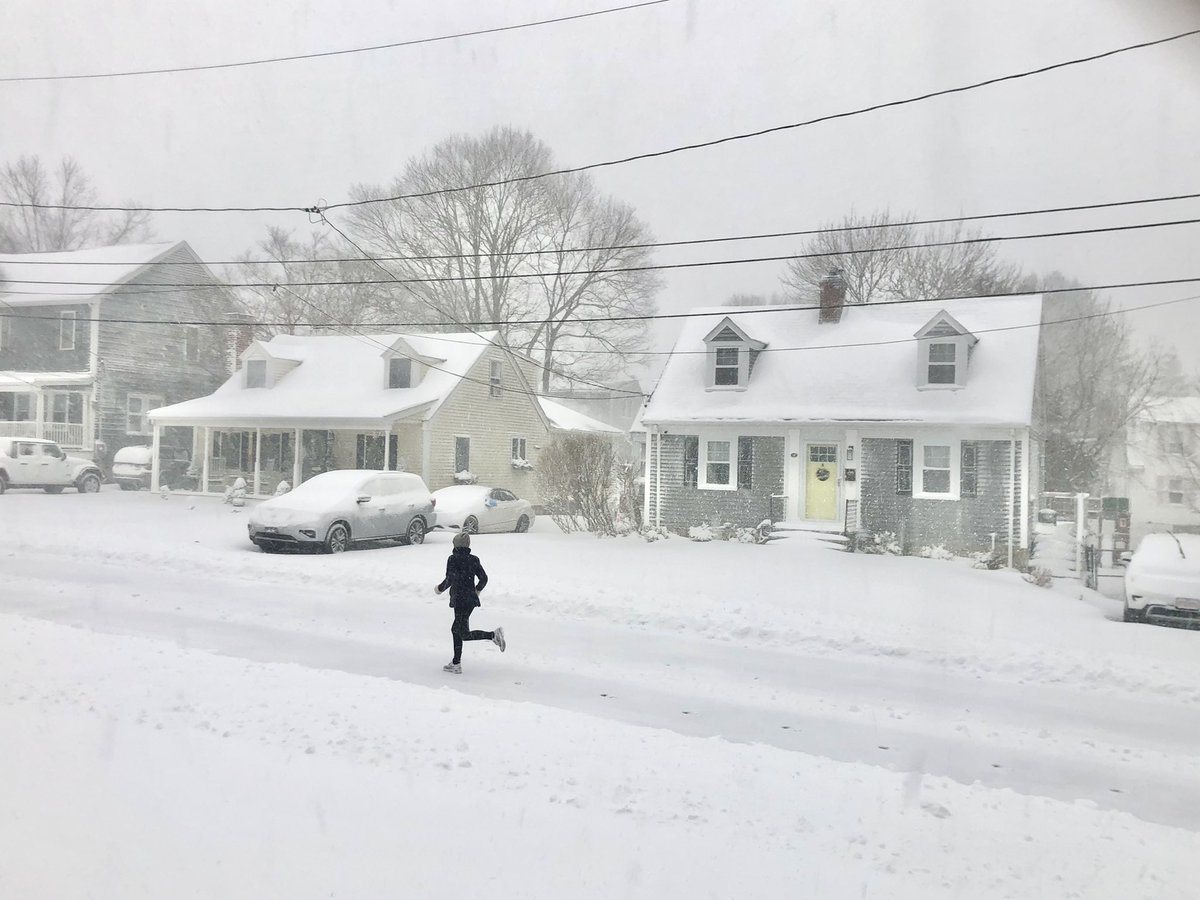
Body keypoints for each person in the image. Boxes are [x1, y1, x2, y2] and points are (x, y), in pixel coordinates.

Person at [435, 531, 505, 673]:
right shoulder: (473, 559)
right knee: (459, 631)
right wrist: (477, 590)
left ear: (455, 544)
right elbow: (484, 578)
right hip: (470, 600)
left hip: (460, 599)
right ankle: (456, 663)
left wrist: (439, 589)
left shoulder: (452, 559)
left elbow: (450, 578)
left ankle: (492, 635)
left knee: (460, 632)